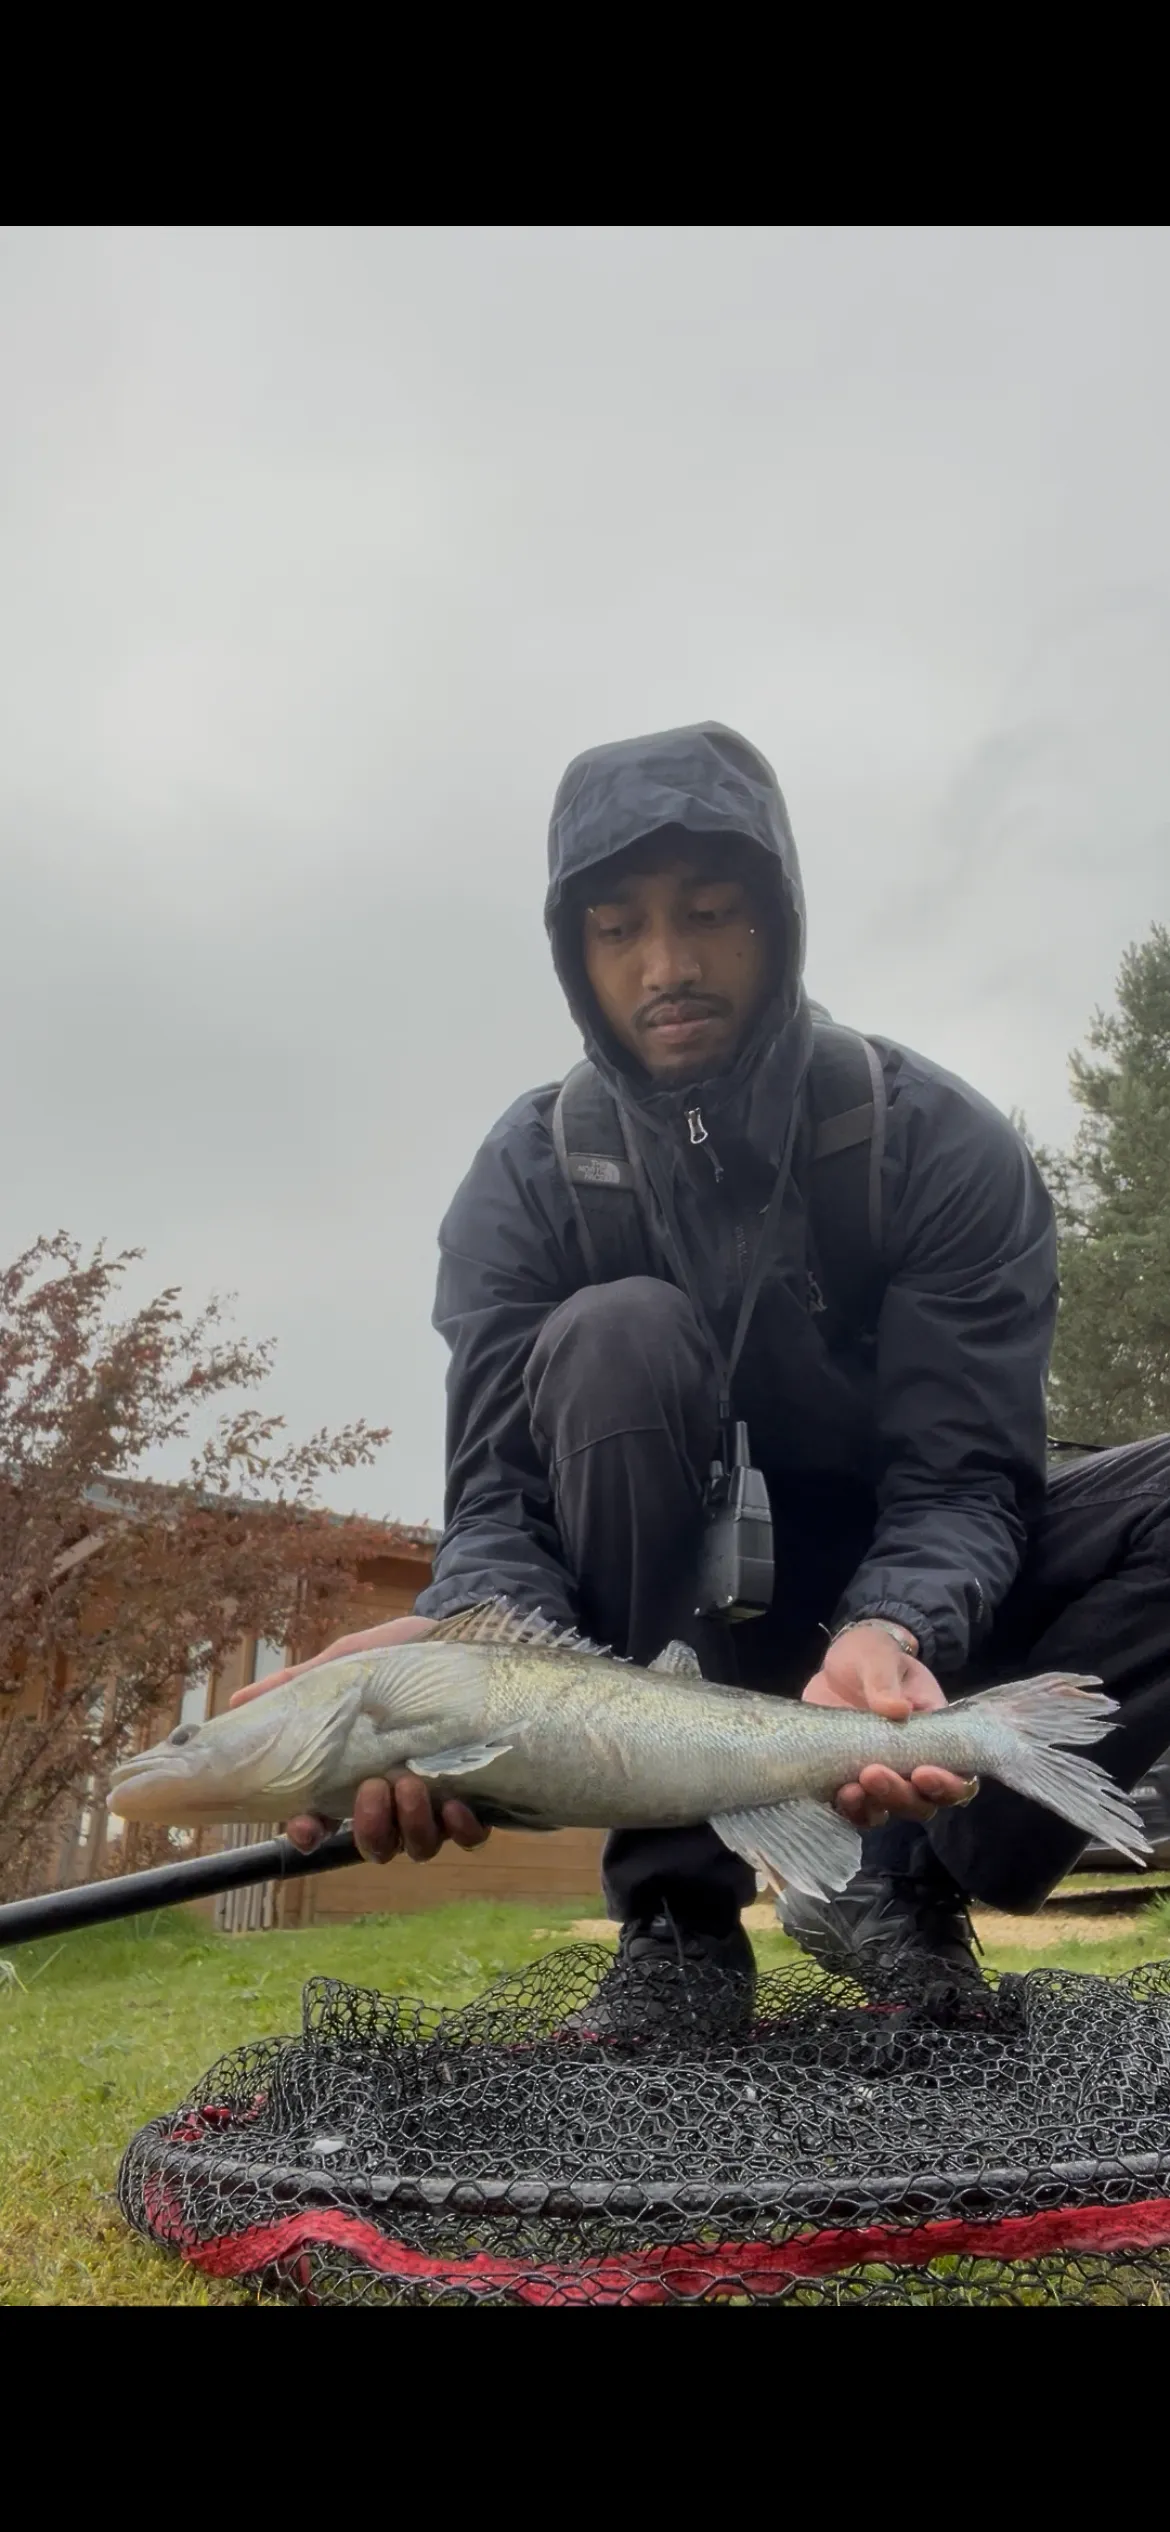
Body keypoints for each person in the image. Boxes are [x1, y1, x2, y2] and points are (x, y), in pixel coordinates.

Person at [236, 722, 1170, 2016]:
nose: (665, 964)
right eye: (616, 929)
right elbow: (501, 1511)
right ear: (573, 953)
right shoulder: (525, 1179)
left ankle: (908, 1878)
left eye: (710, 913)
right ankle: (677, 1918)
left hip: (902, 1645)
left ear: (777, 920)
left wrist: (888, 1628)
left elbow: (963, 1481)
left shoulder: (939, 1147)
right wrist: (460, 1669)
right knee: (616, 1331)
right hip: (667, 1645)